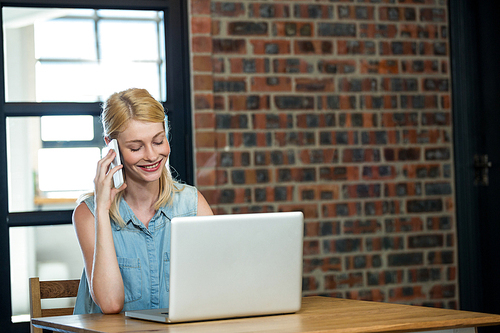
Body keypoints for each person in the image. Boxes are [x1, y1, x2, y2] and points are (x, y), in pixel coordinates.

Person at [72, 88, 213, 314]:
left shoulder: (192, 204)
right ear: (112, 146)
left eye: (158, 141)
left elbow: (216, 287)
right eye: (136, 147)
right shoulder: (88, 213)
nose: (151, 155)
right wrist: (102, 209)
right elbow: (111, 303)